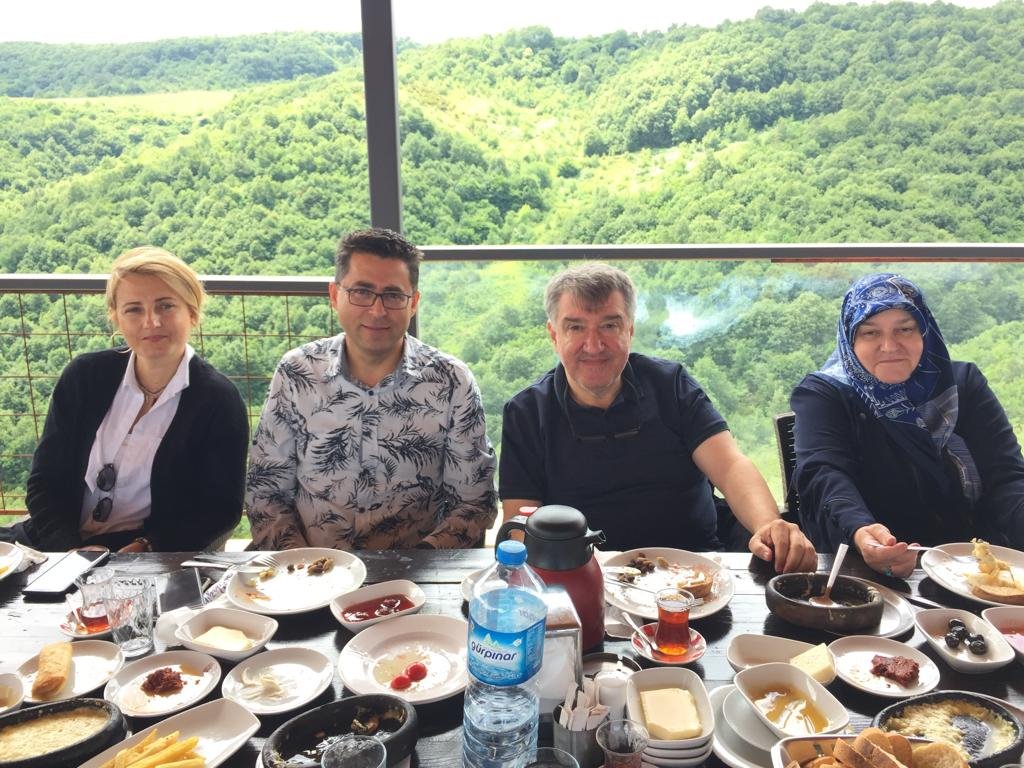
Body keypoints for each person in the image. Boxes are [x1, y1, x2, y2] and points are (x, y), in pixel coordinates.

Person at [500, 263, 816, 572]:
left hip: (695, 566)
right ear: (554, 334)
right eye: (576, 327)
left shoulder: (670, 385)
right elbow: (520, 525)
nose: (594, 345)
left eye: (609, 326)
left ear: (630, 330)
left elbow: (730, 466)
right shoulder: (527, 412)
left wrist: (769, 524)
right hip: (581, 572)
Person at [245, 228, 497, 550]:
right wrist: (307, 566)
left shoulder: (452, 382)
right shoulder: (297, 373)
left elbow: (473, 503)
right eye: (361, 292)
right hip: (312, 568)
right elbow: (266, 493)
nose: (377, 311)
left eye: (393, 295)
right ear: (334, 295)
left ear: (414, 303)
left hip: (416, 570)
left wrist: (417, 564)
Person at [7, 247, 248, 552]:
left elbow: (220, 509)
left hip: (146, 556)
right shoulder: (84, 377)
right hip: (52, 546)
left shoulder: (218, 400)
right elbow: (44, 482)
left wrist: (146, 546)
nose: (152, 321)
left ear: (192, 312)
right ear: (116, 318)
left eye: (166, 306)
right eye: (134, 309)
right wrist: (69, 551)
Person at [791, 273, 1024, 578]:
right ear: (850, 339)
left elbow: (1006, 477)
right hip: (866, 566)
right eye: (870, 333)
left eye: (904, 329)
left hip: (970, 564)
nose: (889, 346)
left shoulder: (962, 386)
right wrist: (860, 530)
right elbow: (824, 474)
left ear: (925, 331)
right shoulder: (826, 394)